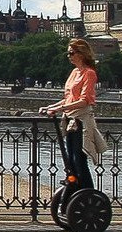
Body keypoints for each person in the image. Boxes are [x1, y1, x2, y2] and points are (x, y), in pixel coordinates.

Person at [40, 38, 107, 190]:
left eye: (71, 53)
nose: (69, 56)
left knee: (79, 160)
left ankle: (87, 192)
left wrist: (58, 109)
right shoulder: (74, 72)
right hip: (70, 119)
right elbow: (68, 98)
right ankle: (75, 187)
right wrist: (50, 106)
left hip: (81, 120)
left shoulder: (89, 73)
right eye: (68, 53)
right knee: (70, 159)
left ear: (81, 54)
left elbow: (84, 101)